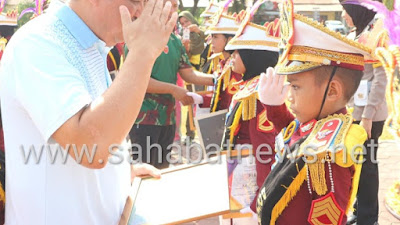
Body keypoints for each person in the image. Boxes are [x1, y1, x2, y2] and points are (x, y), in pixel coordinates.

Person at [0, 0, 176, 224]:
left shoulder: (92, 45)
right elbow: (91, 147)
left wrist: (123, 172)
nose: (140, 11)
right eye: (135, 1)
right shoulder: (38, 43)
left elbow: (99, 132)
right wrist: (142, 53)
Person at [256, 0, 371, 224]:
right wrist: (273, 106)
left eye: (296, 86)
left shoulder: (331, 153)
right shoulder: (317, 124)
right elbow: (297, 139)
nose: (289, 95)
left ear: (332, 91)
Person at [128, 0, 214, 170]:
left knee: (161, 172)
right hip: (143, 120)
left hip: (167, 120)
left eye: (175, 6)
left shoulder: (175, 41)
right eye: (168, 5)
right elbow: (138, 81)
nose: (172, 11)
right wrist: (173, 90)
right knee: (144, 174)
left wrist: (217, 79)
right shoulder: (139, 36)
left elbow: (188, 73)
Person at [218, 7, 280, 224]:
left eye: (237, 52)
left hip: (248, 178)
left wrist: (258, 204)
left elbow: (265, 150)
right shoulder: (250, 86)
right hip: (238, 167)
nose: (231, 57)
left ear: (252, 56)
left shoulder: (258, 94)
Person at [341, 1, 388, 224]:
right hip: (356, 112)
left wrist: (368, 116)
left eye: (346, 11)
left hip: (371, 116)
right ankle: (360, 210)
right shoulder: (358, 33)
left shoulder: (377, 33)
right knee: (357, 164)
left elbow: (381, 79)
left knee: (368, 166)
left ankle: (369, 218)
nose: (343, 15)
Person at [199, 6, 243, 113]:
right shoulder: (223, 63)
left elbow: (229, 103)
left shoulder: (236, 67)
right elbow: (221, 98)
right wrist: (199, 99)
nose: (211, 41)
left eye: (215, 37)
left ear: (229, 40)